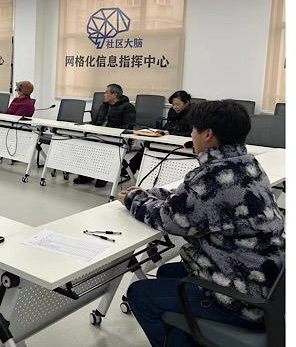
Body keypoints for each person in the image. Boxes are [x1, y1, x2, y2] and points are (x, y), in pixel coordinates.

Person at [118, 100, 284, 347]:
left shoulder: (210, 177)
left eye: (194, 129)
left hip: (245, 299)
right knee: (165, 272)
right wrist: (150, 193)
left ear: (207, 134)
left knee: (139, 295)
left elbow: (170, 219)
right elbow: (192, 202)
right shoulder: (247, 164)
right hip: (270, 286)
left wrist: (133, 199)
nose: (191, 135)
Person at [73, 83, 136, 187]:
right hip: (98, 135)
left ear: (114, 95)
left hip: (114, 138)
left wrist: (108, 132)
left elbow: (128, 127)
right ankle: (86, 175)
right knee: (82, 143)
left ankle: (103, 176)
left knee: (101, 145)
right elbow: (95, 122)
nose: (104, 95)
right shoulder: (104, 106)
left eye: (106, 92)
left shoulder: (128, 107)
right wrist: (88, 128)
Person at [127, 90, 194, 174]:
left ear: (187, 102)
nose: (175, 107)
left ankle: (132, 168)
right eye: (173, 104)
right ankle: (132, 168)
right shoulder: (172, 112)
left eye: (178, 104)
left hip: (182, 144)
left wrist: (171, 133)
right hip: (169, 140)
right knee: (148, 145)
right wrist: (162, 131)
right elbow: (169, 126)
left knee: (152, 148)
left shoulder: (194, 113)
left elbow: (192, 133)